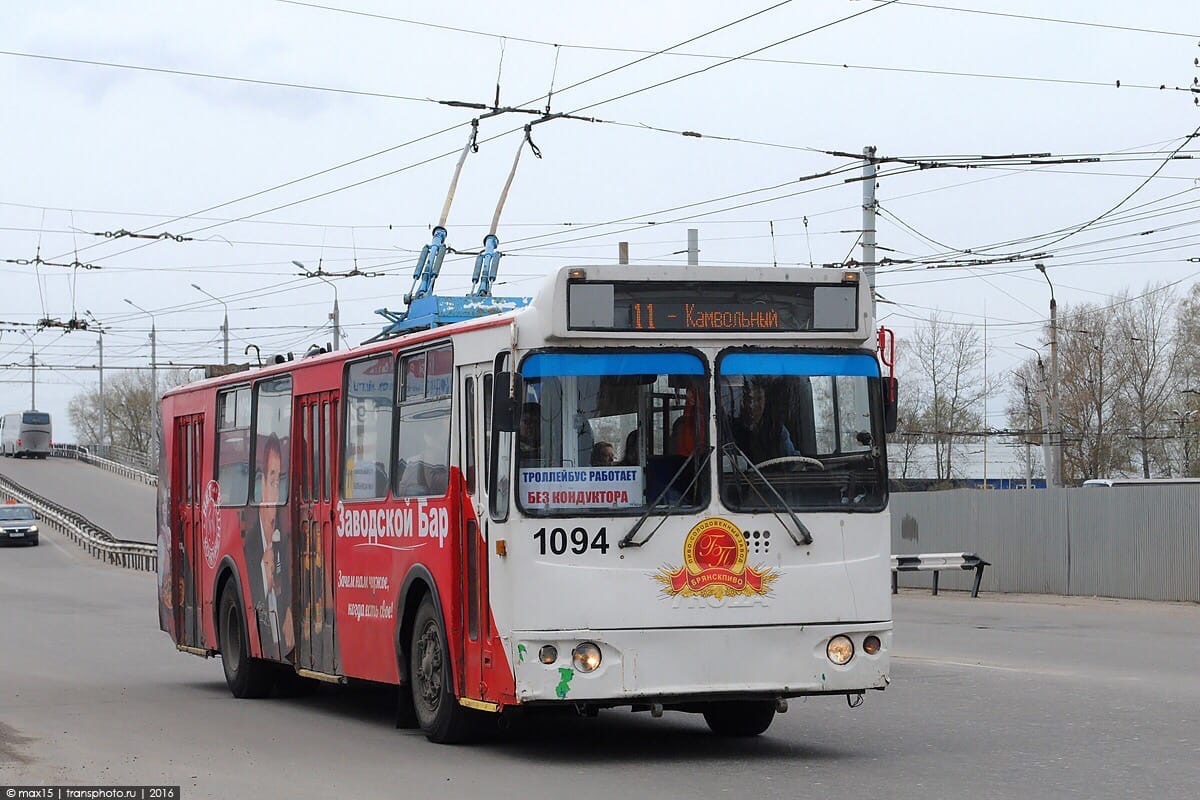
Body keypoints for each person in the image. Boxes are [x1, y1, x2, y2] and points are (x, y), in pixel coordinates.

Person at [243, 433, 294, 662]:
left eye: (282, 484)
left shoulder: (285, 544)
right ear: (261, 485)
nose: (277, 495)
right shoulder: (248, 552)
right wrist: (267, 579)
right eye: (273, 483)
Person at [729, 379, 797, 465]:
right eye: (749, 399)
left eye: (759, 399)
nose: (753, 405)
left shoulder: (777, 430)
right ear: (742, 402)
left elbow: (794, 461)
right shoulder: (731, 430)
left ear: (765, 401)